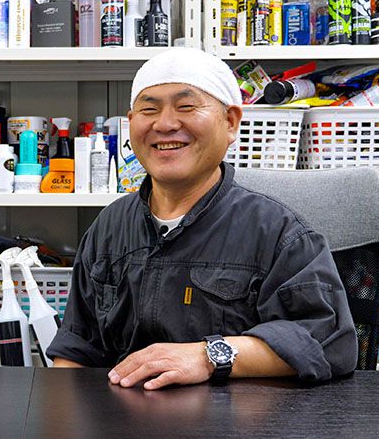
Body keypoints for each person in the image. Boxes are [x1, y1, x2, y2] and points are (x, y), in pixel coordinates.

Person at [45, 48, 358, 390]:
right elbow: (76, 350)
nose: (164, 124)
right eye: (149, 110)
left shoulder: (279, 234)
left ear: (230, 122)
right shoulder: (109, 228)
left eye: (186, 107)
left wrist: (209, 355)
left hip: (236, 417)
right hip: (123, 414)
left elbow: (330, 343)